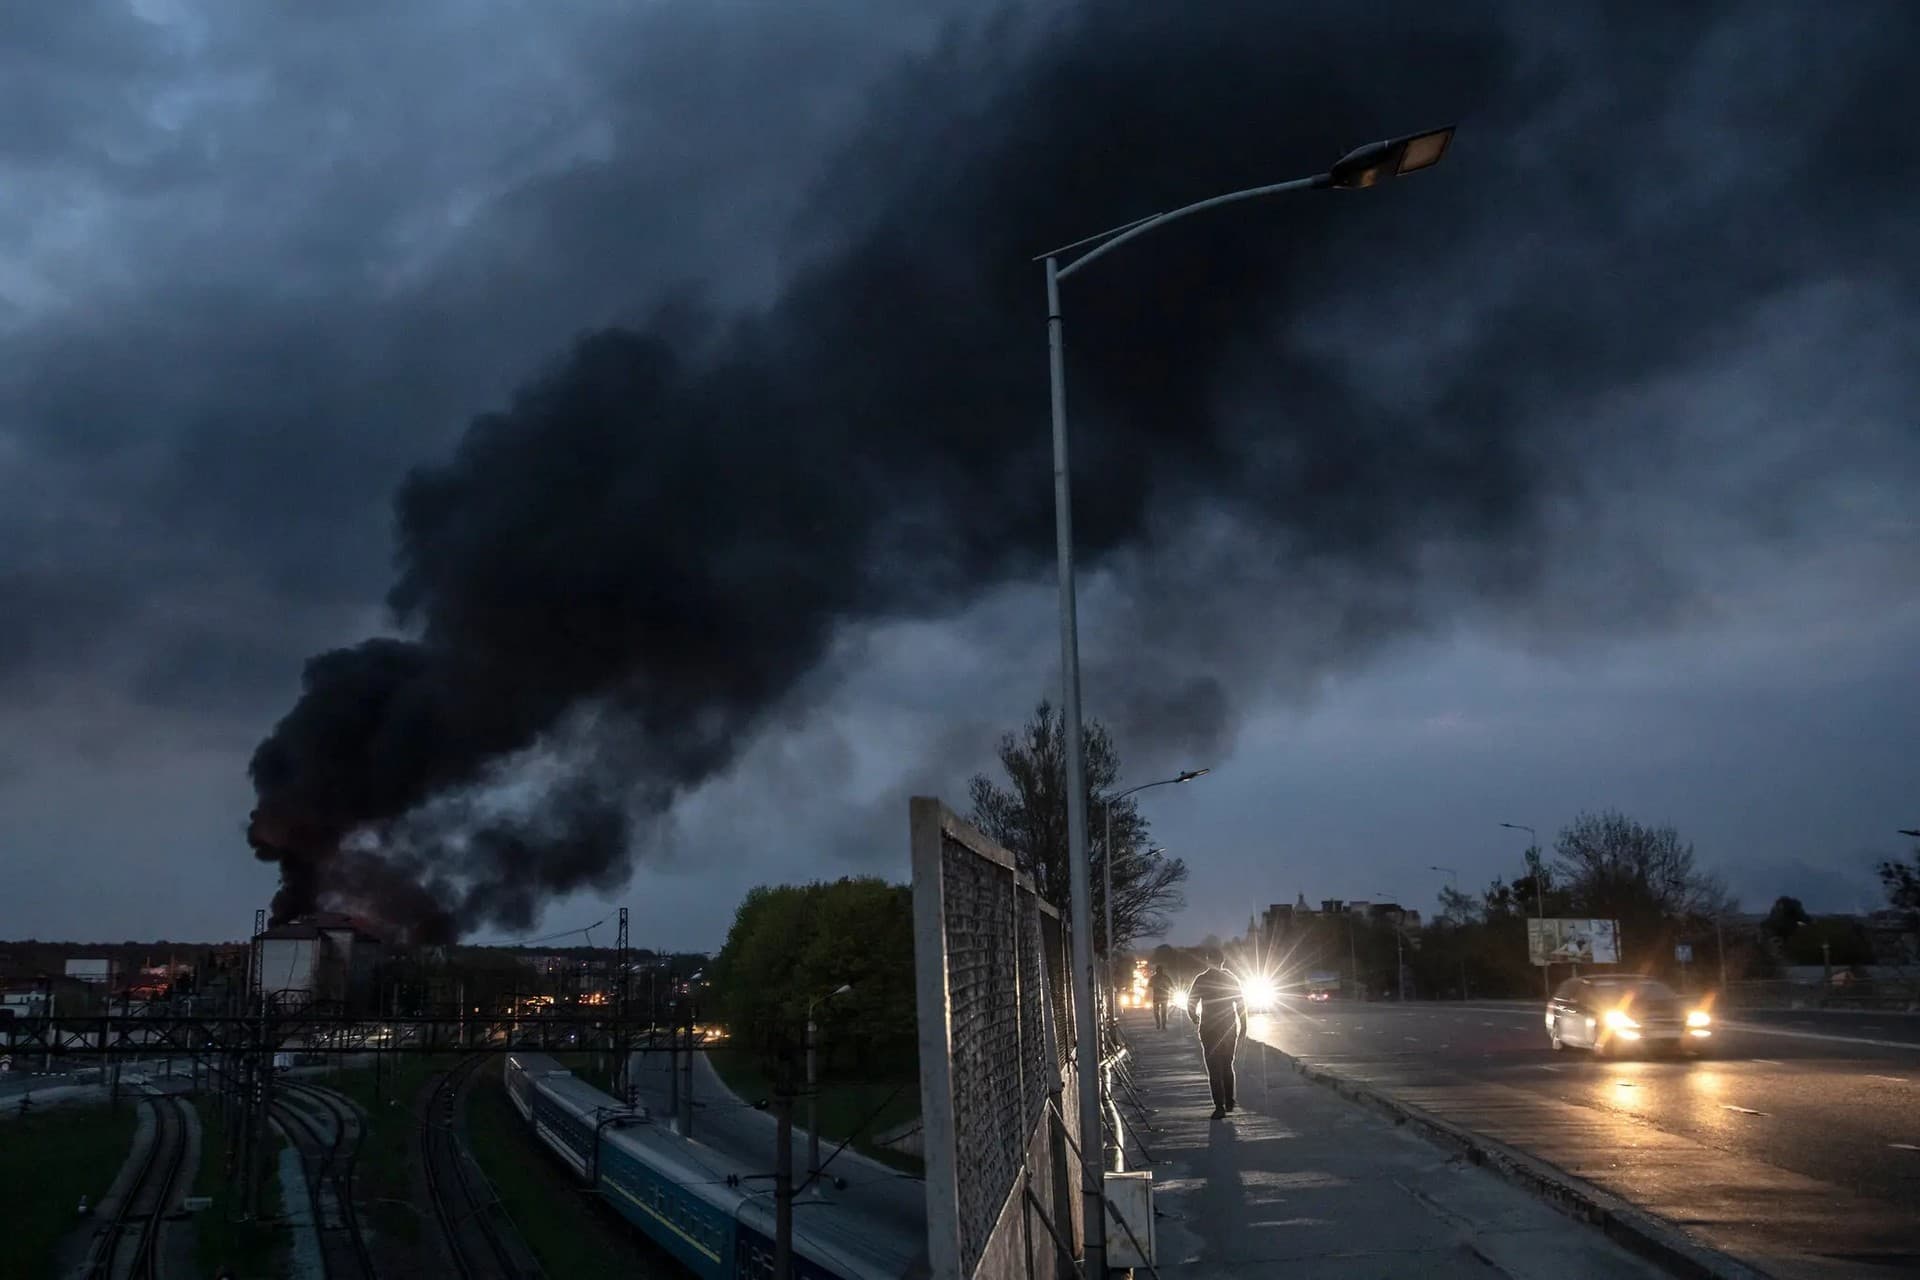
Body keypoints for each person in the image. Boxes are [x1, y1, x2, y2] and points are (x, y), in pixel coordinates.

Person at [1186, 952, 1248, 1119]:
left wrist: (1194, 1018)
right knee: (1227, 1065)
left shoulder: (1202, 979)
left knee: (1214, 1068)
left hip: (1209, 1030)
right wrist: (1243, 1026)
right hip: (1228, 1028)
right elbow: (1241, 1004)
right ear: (1222, 962)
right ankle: (1229, 1100)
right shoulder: (1231, 979)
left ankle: (1219, 1106)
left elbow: (1191, 1002)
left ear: (1208, 961)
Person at [1149, 965, 1174, 1029]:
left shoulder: (1153, 978)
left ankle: (1158, 1024)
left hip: (1156, 997)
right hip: (1164, 997)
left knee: (1156, 1012)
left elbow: (1149, 985)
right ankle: (1163, 1025)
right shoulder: (1166, 977)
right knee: (1164, 1012)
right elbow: (1171, 985)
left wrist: (1156, 986)